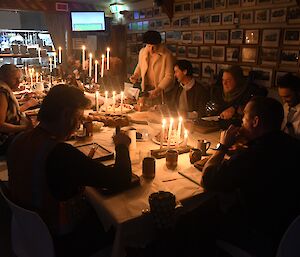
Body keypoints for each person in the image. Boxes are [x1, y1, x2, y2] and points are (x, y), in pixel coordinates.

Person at [7, 85, 132, 257]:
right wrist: (122, 146)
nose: (79, 124)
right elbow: (121, 179)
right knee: (120, 223)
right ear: (66, 115)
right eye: (78, 117)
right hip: (61, 239)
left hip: (27, 233)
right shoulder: (60, 154)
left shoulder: (19, 140)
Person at [173, 96, 300, 257]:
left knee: (193, 217)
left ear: (255, 121)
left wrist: (222, 146)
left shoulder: (254, 155)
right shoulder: (292, 144)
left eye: (244, 116)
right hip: (290, 233)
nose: (241, 121)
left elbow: (208, 180)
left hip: (261, 233)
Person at [130, 30, 175, 107]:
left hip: (160, 90)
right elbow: (140, 66)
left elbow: (169, 76)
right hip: (146, 87)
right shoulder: (143, 52)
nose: (151, 49)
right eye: (149, 46)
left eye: (153, 47)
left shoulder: (167, 55)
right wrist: (135, 75)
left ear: (159, 44)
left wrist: (159, 89)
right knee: (144, 109)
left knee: (158, 111)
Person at [0, 64, 33, 155]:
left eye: (19, 78)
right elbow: (1, 125)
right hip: (5, 140)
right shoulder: (2, 91)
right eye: (15, 78)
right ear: (4, 76)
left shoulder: (4, 88)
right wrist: (24, 128)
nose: (18, 82)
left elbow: (9, 109)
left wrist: (22, 100)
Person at [277, 73, 300, 140]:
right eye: (281, 97)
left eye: (287, 96)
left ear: (298, 92)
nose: (284, 101)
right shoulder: (286, 106)